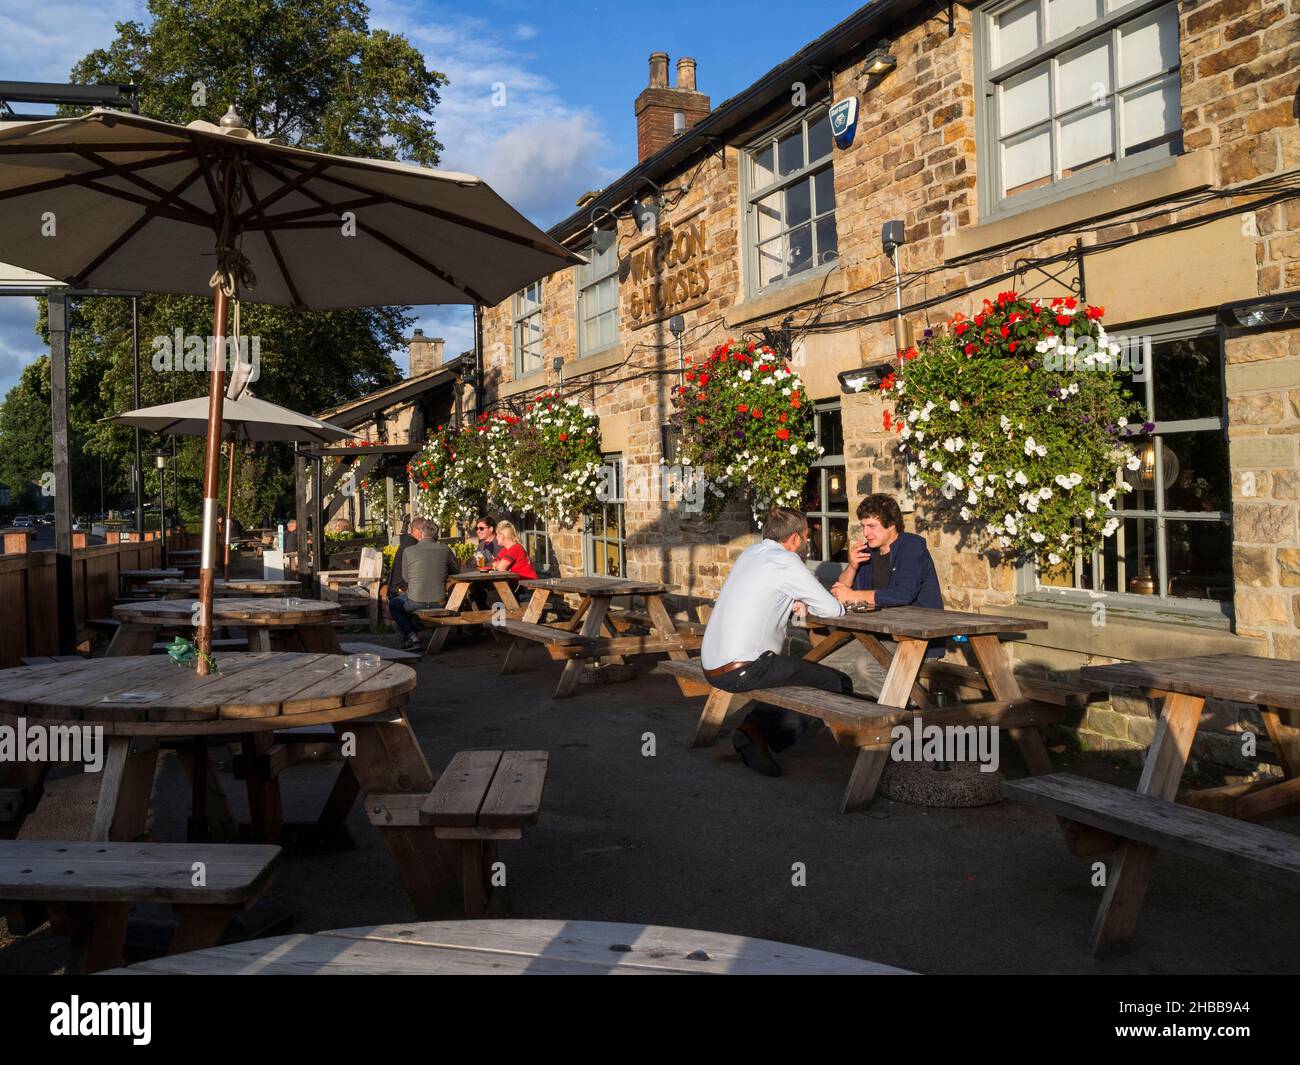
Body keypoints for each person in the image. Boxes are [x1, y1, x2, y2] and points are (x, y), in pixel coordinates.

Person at [701, 506, 848, 777]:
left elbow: (765, 593)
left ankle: (754, 730)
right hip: (743, 668)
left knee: (800, 674)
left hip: (711, 663)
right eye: (805, 537)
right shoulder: (786, 561)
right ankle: (757, 733)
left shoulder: (751, 554)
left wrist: (795, 598)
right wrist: (845, 599)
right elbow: (832, 609)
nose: (806, 542)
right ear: (793, 539)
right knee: (833, 682)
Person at [832, 492, 946, 661]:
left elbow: (903, 594)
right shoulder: (868, 552)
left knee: (864, 668)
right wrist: (852, 566)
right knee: (832, 662)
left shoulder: (912, 547)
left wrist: (853, 596)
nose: (866, 532)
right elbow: (840, 591)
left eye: (872, 526)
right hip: (877, 635)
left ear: (891, 524)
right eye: (863, 526)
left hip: (915, 638)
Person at [389, 517, 454, 650]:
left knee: (394, 605)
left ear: (422, 533)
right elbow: (456, 571)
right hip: (440, 601)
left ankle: (413, 636)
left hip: (415, 601)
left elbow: (406, 578)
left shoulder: (409, 550)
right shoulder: (445, 549)